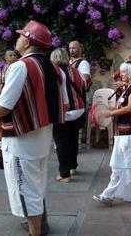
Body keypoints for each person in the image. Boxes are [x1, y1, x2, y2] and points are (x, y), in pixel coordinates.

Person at [0, 20, 68, 236]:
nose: (16, 39)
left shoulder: (20, 66)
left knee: (25, 192)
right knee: (35, 186)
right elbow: (64, 104)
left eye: (20, 36)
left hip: (20, 141)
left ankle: (34, 231)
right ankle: (39, 226)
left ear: (27, 42)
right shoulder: (56, 69)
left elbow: (2, 108)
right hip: (43, 138)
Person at [92, 60, 131, 206]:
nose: (121, 74)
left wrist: (110, 112)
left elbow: (129, 108)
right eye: (121, 71)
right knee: (119, 166)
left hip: (130, 133)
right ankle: (121, 194)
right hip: (121, 133)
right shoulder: (127, 88)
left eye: (124, 72)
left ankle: (108, 195)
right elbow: (120, 105)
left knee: (124, 166)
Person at [50, 48, 86, 182]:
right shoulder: (75, 71)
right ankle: (72, 166)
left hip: (63, 111)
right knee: (73, 139)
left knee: (61, 142)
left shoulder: (54, 72)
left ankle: (64, 174)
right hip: (78, 110)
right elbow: (84, 86)